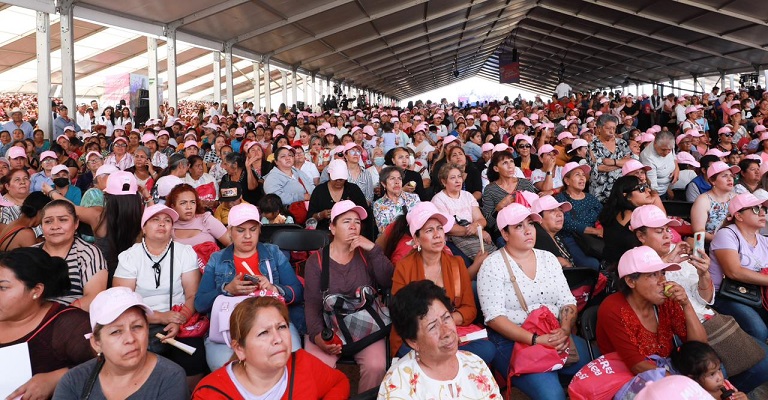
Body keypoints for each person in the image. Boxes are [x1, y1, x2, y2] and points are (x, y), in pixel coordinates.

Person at [632, 204, 768, 392]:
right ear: (641, 236)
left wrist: (704, 274)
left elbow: (705, 299)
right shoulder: (636, 259)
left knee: (763, 361)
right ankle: (717, 392)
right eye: (658, 231)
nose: (667, 235)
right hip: (680, 331)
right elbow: (642, 297)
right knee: (718, 371)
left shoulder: (680, 250)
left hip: (708, 318)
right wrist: (666, 262)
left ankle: (727, 392)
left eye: (667, 230)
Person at [477, 203, 589, 399]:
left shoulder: (548, 259)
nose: (528, 230)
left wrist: (563, 329)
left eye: (530, 223)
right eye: (519, 226)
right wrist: (536, 340)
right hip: (514, 340)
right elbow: (494, 317)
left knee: (594, 369)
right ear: (505, 234)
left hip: (553, 331)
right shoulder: (492, 265)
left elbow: (567, 300)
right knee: (552, 395)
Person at [195, 203, 305, 370]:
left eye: (253, 229)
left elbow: (297, 291)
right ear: (230, 231)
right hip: (230, 326)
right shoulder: (217, 259)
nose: (247, 236)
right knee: (225, 370)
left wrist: (274, 288)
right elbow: (200, 303)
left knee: (292, 365)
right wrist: (226, 290)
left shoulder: (273, 253)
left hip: (272, 321)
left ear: (260, 229)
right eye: (240, 230)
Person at [303, 200, 394, 393]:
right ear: (332, 228)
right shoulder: (316, 261)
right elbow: (312, 306)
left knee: (376, 366)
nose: (353, 226)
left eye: (357, 222)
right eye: (346, 221)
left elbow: (387, 281)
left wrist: (374, 249)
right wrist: (319, 337)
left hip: (365, 325)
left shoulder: (366, 253)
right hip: (330, 327)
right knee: (317, 367)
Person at [113, 204, 205, 387]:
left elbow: (192, 295)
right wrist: (159, 317)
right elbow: (122, 301)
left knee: (193, 358)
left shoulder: (184, 253)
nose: (162, 224)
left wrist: (179, 319)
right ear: (144, 227)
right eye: (155, 220)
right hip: (140, 321)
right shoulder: (130, 256)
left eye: (167, 221)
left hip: (179, 319)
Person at [390, 202, 493, 362]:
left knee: (487, 350)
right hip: (418, 333)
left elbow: (469, 309)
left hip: (452, 331)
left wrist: (447, 322)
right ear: (416, 239)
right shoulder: (404, 267)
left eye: (439, 228)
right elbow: (401, 314)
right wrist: (432, 328)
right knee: (412, 353)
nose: (437, 235)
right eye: (429, 230)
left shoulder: (456, 263)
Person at [192, 297, 350, 399]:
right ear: (239, 348)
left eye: (282, 327)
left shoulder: (303, 364)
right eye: (263, 333)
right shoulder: (209, 394)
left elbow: (339, 382)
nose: (278, 339)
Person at [53, 287, 188, 399]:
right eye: (116, 332)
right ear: (96, 343)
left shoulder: (170, 378)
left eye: (137, 327)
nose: (130, 339)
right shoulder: (74, 381)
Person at [380, 280, 501, 398]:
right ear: (413, 341)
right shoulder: (400, 383)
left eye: (447, 318)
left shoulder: (475, 364)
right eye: (432, 327)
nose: (447, 332)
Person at [596, 246, 707, 375]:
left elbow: (700, 348)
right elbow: (637, 366)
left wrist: (686, 304)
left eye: (663, 273)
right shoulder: (612, 308)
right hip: (629, 379)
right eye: (653, 275)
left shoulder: (666, 301)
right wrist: (681, 384)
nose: (663, 281)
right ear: (631, 281)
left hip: (665, 372)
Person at [0, 247, 93, 400]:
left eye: (3, 287)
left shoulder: (69, 325)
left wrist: (57, 378)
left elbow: (108, 363)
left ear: (36, 290)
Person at [709, 193, 768, 342]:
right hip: (726, 294)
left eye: (763, 209)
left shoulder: (764, 241)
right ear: (739, 216)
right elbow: (733, 272)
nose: (762, 213)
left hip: (755, 294)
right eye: (755, 209)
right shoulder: (726, 234)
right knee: (758, 330)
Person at [32, 199, 107, 310]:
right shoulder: (30, 255)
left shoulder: (87, 253)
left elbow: (94, 297)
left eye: (63, 220)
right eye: (48, 221)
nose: (55, 226)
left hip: (70, 322)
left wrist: (54, 317)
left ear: (76, 223)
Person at [431, 163, 496, 260]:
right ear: (444, 182)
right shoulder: (438, 200)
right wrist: (476, 232)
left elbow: (481, 219)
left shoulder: (468, 195)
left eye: (459, 177)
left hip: (473, 235)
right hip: (452, 241)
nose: (457, 181)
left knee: (493, 255)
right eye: (452, 178)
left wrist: (475, 226)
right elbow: (448, 228)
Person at [599, 175, 657, 269]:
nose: (648, 190)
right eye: (641, 188)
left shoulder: (614, 214)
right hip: (628, 273)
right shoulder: (636, 218)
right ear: (627, 196)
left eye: (646, 186)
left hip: (609, 270)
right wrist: (655, 198)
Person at [481, 150, 537, 246]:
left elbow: (537, 209)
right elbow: (488, 223)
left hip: (529, 226)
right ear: (496, 168)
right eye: (505, 163)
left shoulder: (525, 183)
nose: (510, 166)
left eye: (511, 161)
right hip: (505, 231)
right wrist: (499, 208)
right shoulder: (490, 190)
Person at [555, 162, 603, 271]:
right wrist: (595, 231)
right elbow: (567, 223)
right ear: (567, 181)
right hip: (571, 238)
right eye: (577, 175)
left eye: (583, 175)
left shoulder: (590, 198)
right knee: (593, 264)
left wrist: (601, 229)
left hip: (593, 238)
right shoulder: (561, 199)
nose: (582, 178)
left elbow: (604, 215)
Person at [670, 342, 749, 400]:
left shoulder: (726, 385)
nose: (720, 377)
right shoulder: (697, 397)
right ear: (693, 378)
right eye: (712, 374)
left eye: (719, 369)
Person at [308, 159, 368, 232]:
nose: (338, 182)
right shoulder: (319, 191)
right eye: (335, 179)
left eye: (341, 179)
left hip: (349, 233)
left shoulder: (353, 190)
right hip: (324, 234)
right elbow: (310, 217)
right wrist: (321, 215)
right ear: (329, 175)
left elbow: (365, 215)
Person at [167, 183, 231, 247]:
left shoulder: (206, 220)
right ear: (173, 206)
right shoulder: (169, 226)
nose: (189, 207)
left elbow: (232, 244)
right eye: (183, 203)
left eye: (193, 202)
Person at [691, 161, 738, 243]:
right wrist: (723, 241)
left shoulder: (737, 198)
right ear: (713, 181)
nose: (730, 179)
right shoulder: (703, 200)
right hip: (713, 246)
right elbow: (699, 231)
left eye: (731, 176)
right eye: (724, 176)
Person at [589, 114, 632, 203]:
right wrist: (621, 164)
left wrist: (612, 161)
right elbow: (600, 168)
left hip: (621, 190)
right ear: (599, 128)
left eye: (614, 128)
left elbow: (629, 162)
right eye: (608, 128)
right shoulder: (592, 145)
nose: (612, 131)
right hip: (601, 191)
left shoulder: (621, 143)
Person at [372, 165, 420, 234]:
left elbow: (419, 223)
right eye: (392, 178)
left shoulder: (413, 198)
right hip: (390, 241)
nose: (397, 182)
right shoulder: (378, 204)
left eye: (399, 178)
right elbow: (383, 231)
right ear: (383, 184)